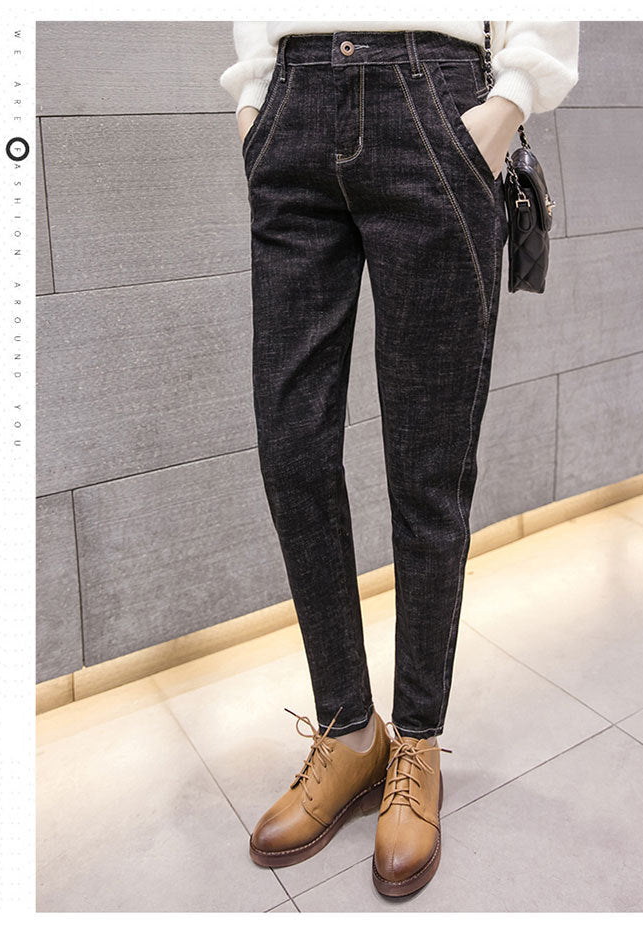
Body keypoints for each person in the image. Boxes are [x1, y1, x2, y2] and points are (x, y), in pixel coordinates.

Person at [220, 21, 579, 897]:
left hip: (436, 103)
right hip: (293, 108)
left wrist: (507, 104)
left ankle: (416, 739)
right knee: (292, 445)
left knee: (429, 461)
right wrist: (256, 98)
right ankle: (349, 732)